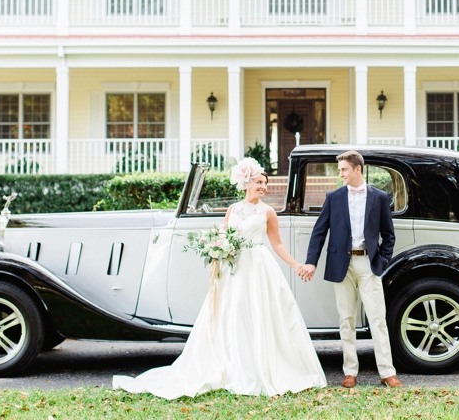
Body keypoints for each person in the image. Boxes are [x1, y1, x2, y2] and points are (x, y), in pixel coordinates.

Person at [113, 157, 326, 399]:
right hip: (232, 268)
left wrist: (296, 265)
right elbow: (224, 237)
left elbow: (277, 244)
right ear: (247, 184)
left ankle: (259, 365)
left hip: (257, 266)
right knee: (230, 312)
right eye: (258, 182)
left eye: (265, 183)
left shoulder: (268, 212)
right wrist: (217, 257)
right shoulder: (232, 210)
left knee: (257, 311)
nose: (263, 187)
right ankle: (229, 362)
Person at [298, 150, 403, 388]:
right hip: (340, 265)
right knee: (346, 319)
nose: (340, 174)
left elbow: (388, 235)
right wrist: (311, 261)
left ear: (358, 169)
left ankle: (388, 372)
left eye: (344, 169)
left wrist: (383, 259)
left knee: (377, 318)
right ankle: (350, 372)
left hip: (368, 263)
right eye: (339, 170)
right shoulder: (333, 197)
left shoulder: (379, 197)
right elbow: (319, 232)